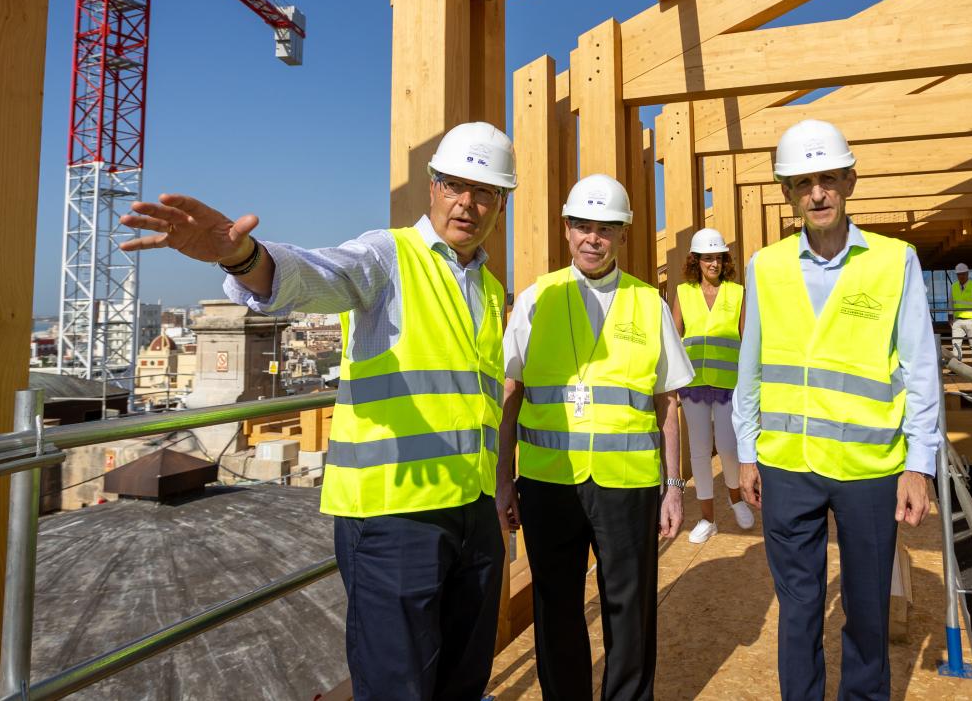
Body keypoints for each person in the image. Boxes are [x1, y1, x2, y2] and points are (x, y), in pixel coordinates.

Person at [119, 122, 517, 701]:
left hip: (472, 509)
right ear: (432, 185)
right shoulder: (389, 257)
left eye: (484, 191)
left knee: (464, 678)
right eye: (456, 185)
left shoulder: (486, 287)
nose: (468, 203)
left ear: (500, 202)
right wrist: (244, 257)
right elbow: (319, 273)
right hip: (394, 514)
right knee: (397, 687)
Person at [733, 119, 942, 701]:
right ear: (788, 194)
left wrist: (917, 465)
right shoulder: (765, 266)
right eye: (803, 183)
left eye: (828, 178)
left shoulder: (894, 261)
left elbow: (921, 369)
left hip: (869, 468)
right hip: (787, 466)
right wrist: (747, 452)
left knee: (868, 608)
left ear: (850, 179)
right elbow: (749, 369)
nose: (817, 193)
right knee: (799, 609)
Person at [495, 173, 689, 701]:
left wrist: (674, 485)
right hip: (547, 483)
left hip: (627, 484)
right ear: (565, 228)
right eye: (582, 225)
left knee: (629, 611)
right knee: (555, 608)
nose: (592, 238)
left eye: (605, 228)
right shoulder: (536, 298)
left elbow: (667, 402)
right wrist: (503, 480)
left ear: (623, 234)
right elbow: (511, 393)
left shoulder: (649, 303)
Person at [670, 227, 755, 544]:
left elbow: (747, 341)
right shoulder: (683, 293)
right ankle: (708, 519)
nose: (714, 264)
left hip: (728, 386)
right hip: (693, 386)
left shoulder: (737, 293)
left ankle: (735, 499)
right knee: (700, 453)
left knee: (730, 449)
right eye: (708, 258)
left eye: (718, 258)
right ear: (696, 260)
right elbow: (675, 338)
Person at [948, 261, 972, 370]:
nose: (961, 276)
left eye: (963, 274)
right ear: (957, 275)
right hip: (957, 321)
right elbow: (950, 303)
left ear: (967, 274)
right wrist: (950, 317)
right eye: (959, 274)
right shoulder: (953, 287)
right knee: (955, 344)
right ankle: (957, 368)